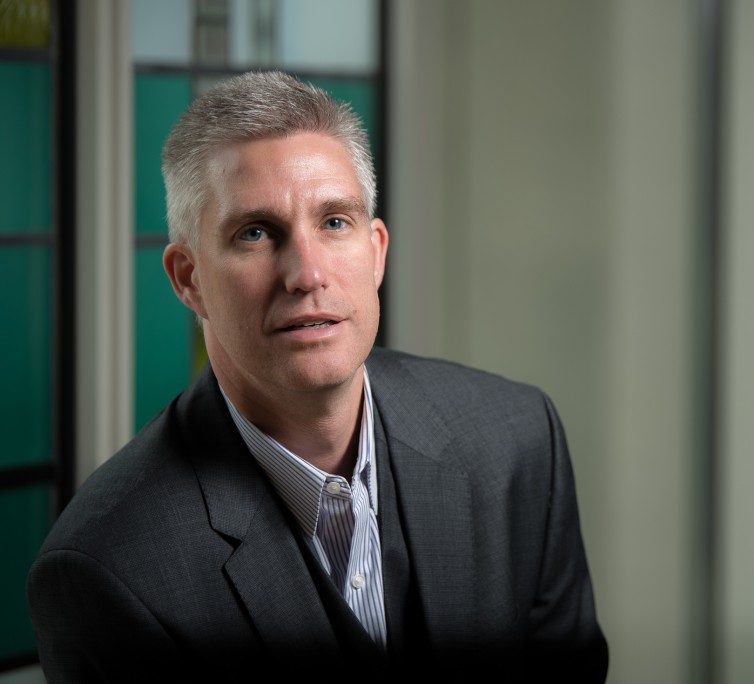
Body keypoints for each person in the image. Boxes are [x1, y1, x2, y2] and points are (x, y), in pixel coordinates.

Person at [27, 71, 607, 682]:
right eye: (256, 233)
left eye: (335, 222)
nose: (307, 274)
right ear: (188, 279)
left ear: (377, 252)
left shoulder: (517, 443)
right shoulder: (108, 569)